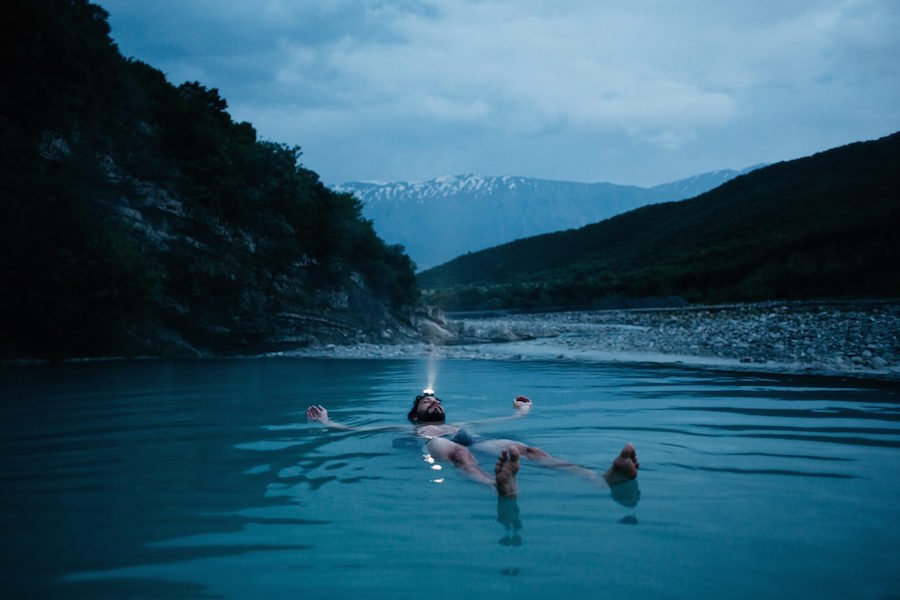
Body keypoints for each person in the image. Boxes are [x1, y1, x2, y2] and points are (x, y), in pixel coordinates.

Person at [306, 391, 639, 498]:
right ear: (415, 414)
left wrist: (521, 414)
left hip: (469, 437)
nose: (432, 402)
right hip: (433, 445)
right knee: (460, 454)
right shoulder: (413, 428)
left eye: (435, 400)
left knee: (527, 450)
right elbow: (357, 429)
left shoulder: (461, 424)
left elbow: (501, 424)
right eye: (425, 402)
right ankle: (498, 485)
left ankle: (603, 478)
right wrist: (326, 422)